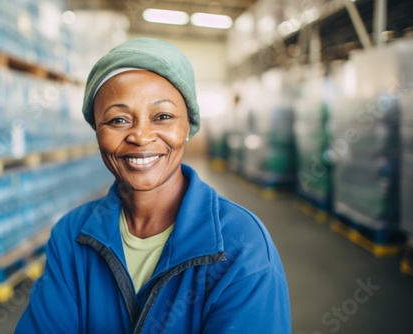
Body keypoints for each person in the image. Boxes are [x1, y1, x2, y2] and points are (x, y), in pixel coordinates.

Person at [16, 38, 291, 333]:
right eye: (118, 119)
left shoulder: (242, 244)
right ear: (97, 131)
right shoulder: (71, 235)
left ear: (188, 126)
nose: (141, 136)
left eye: (163, 116)